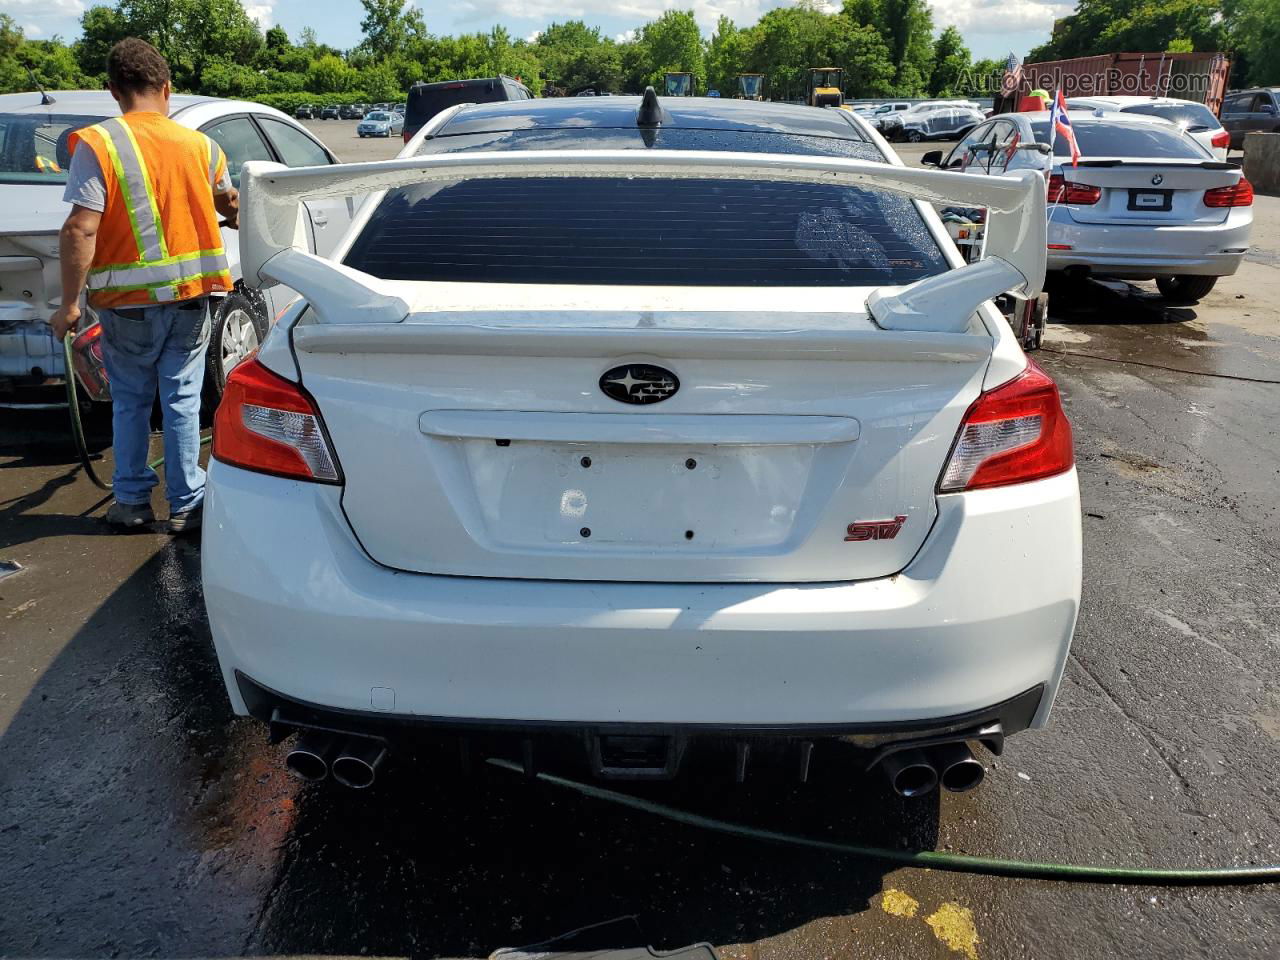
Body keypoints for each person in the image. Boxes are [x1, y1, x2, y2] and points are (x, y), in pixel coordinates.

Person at [49, 37, 238, 533]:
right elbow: (229, 205)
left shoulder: (100, 143)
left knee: (131, 401)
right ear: (167, 87)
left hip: (126, 304)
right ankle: (186, 505)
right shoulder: (204, 146)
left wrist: (69, 305)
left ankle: (131, 502)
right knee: (181, 399)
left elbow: (80, 227)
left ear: (113, 90)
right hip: (192, 299)